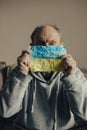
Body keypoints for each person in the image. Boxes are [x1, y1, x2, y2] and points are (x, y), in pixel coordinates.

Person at [0, 24, 87, 130]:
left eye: (52, 43)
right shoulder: (19, 73)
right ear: (31, 47)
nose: (46, 47)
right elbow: (5, 111)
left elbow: (85, 114)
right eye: (41, 43)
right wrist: (21, 74)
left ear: (61, 47)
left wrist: (71, 77)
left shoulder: (74, 73)